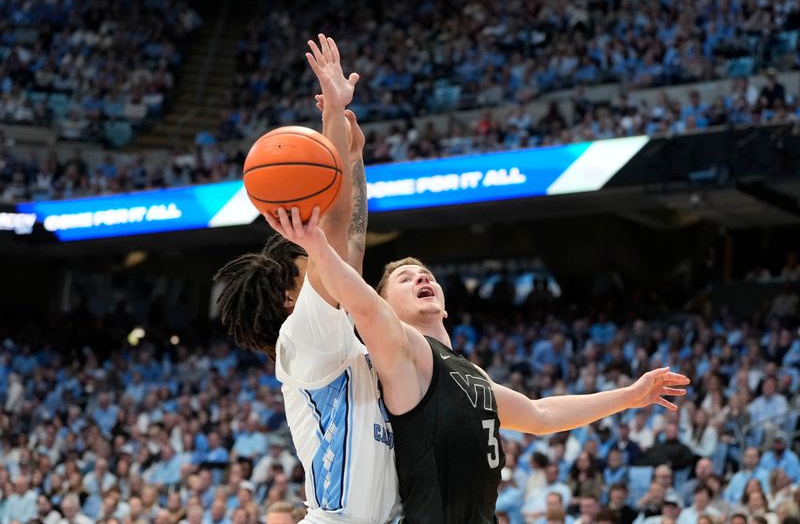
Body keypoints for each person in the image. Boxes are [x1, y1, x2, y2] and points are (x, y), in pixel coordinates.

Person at [265, 207, 691, 522]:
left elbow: (541, 415)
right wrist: (318, 247)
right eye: (405, 278)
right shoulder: (402, 352)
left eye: (426, 274)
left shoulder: (471, 373)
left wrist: (631, 396)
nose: (421, 278)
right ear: (388, 308)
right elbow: (364, 308)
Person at [214, 34, 398, 523]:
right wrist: (332, 117)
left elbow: (352, 242)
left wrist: (354, 160)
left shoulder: (336, 339)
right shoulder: (305, 338)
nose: (326, 265)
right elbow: (335, 228)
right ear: (289, 297)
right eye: (311, 266)